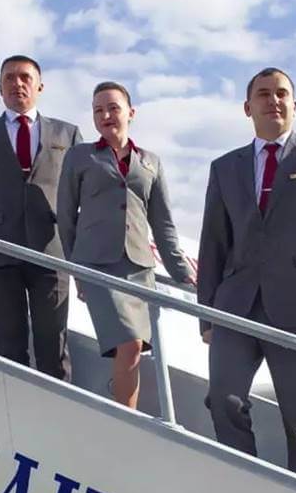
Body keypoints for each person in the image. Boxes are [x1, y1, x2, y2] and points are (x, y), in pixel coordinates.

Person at [197, 67, 296, 483]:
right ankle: (247, 485)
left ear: (294, 104)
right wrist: (207, 314)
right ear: (247, 107)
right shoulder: (224, 167)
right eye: (264, 94)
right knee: (223, 399)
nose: (274, 101)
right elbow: (213, 242)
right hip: (236, 304)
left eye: (282, 94)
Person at [57, 81, 195, 409]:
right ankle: (126, 416)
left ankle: (124, 412)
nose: (106, 115)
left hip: (138, 269)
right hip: (96, 265)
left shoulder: (151, 162)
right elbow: (65, 217)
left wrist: (182, 273)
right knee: (130, 343)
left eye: (113, 108)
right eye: (98, 110)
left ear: (130, 113)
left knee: (134, 349)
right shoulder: (80, 156)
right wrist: (76, 271)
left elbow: (162, 224)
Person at [0, 55, 82, 380]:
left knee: (53, 346)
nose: (17, 83)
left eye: (25, 77)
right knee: (9, 348)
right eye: (9, 78)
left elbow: (82, 196)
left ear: (39, 86)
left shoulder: (68, 134)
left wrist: (83, 253)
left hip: (52, 253)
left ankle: (58, 417)